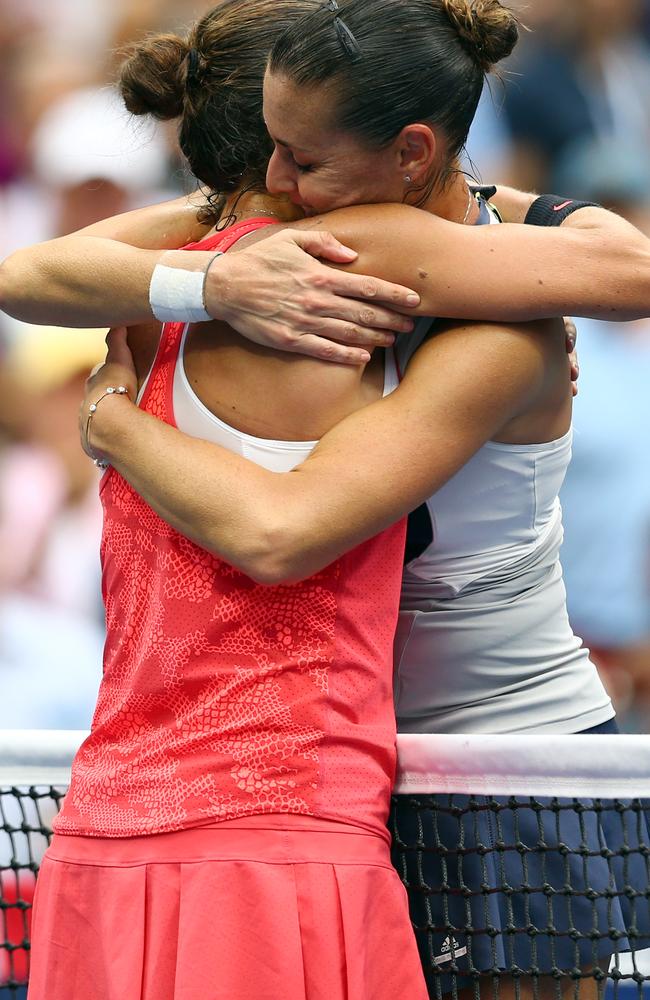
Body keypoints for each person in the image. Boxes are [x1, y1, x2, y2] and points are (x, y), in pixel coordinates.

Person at [11, 1, 650, 998]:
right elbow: (33, 273)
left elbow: (627, 266)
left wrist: (115, 421)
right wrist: (210, 286)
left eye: (301, 157)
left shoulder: (438, 271)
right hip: (350, 775)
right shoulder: (276, 244)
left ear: (407, 153)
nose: (274, 180)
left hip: (504, 761)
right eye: (269, 148)